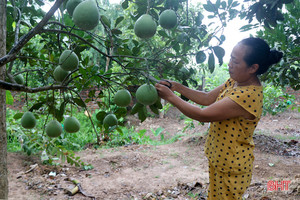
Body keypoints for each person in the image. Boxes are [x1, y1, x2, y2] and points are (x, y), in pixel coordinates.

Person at [155, 37, 283, 200]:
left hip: (232, 167)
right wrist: (177, 87)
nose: (230, 64)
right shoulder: (235, 82)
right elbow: (207, 98)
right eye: (231, 58)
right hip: (220, 160)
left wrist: (171, 97)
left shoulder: (248, 95)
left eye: (235, 61)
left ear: (253, 68)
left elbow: (203, 114)